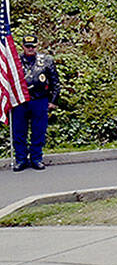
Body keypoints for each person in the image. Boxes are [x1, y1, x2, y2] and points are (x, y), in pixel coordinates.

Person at [10, 33, 59, 171]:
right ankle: (20, 159)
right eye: (27, 46)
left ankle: (36, 158)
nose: (30, 49)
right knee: (19, 132)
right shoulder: (14, 60)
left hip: (40, 100)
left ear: (37, 46)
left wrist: (53, 100)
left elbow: (55, 81)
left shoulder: (46, 60)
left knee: (39, 131)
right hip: (20, 101)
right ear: (23, 46)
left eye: (33, 46)